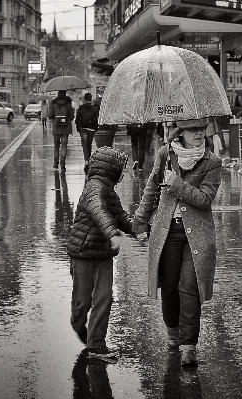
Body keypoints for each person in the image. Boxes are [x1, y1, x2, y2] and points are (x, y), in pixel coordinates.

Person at [132, 118, 222, 367]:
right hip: (167, 231)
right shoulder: (165, 154)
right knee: (170, 286)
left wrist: (177, 184)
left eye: (203, 129)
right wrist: (140, 219)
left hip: (198, 235)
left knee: (189, 286)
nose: (200, 134)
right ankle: (173, 333)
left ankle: (189, 346)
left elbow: (205, 199)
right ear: (180, 132)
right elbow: (151, 188)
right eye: (194, 130)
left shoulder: (212, 162)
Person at [67, 146, 134, 359]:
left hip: (104, 255)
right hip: (84, 253)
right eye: (120, 169)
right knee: (82, 302)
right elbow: (100, 212)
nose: (123, 174)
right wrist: (113, 234)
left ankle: (96, 344)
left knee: (104, 297)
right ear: (110, 170)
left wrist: (139, 227)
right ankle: (78, 323)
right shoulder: (94, 189)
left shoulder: (110, 191)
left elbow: (119, 216)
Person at [48, 90, 75, 171]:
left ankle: (55, 164)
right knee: (64, 146)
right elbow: (72, 117)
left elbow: (50, 116)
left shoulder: (53, 104)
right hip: (65, 128)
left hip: (56, 128)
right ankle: (62, 165)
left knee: (56, 146)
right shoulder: (68, 104)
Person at [75, 93, 99, 172]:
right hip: (91, 128)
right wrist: (95, 127)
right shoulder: (95, 108)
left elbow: (77, 119)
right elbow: (97, 119)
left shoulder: (81, 108)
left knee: (85, 145)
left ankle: (86, 160)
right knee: (89, 144)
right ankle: (89, 160)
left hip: (83, 128)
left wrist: (78, 128)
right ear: (91, 99)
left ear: (85, 99)